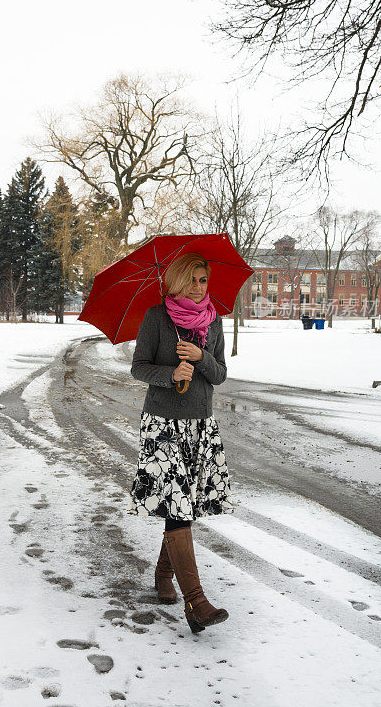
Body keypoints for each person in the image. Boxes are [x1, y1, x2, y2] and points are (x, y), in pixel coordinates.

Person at [127, 252, 236, 633]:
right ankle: (197, 602)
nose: (197, 286)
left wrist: (201, 356)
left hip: (200, 426)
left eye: (202, 280)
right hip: (163, 426)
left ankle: (163, 575)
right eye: (190, 279)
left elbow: (220, 373)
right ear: (173, 282)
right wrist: (171, 372)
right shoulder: (157, 318)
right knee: (178, 506)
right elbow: (138, 366)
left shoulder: (215, 322)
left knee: (182, 505)